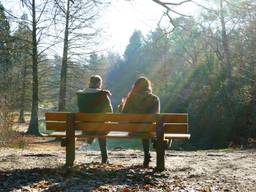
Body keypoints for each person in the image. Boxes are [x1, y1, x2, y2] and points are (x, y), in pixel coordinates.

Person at [119, 76, 160, 167]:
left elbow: (124, 114)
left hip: (133, 130)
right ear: (148, 86)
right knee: (147, 127)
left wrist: (121, 106)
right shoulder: (154, 98)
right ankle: (150, 149)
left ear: (135, 86)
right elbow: (156, 115)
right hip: (148, 129)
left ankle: (147, 154)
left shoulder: (130, 98)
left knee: (142, 127)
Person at [77, 75, 113, 163]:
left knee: (97, 125)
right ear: (99, 84)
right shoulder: (103, 95)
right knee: (101, 126)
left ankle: (89, 140)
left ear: (90, 83)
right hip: (101, 128)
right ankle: (105, 158)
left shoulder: (81, 95)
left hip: (85, 128)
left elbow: (81, 109)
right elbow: (110, 112)